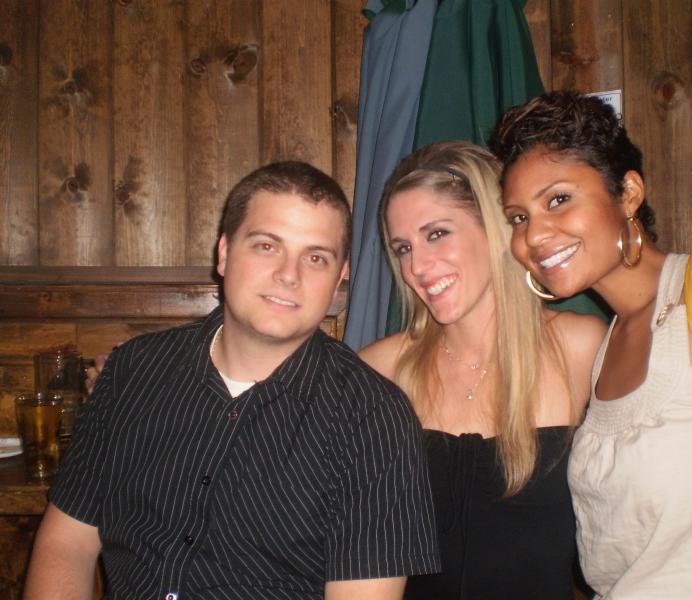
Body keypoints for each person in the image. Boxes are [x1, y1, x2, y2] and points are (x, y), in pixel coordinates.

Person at [25, 162, 440, 599]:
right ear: (224, 253)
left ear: (340, 278)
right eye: (267, 246)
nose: (289, 274)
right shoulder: (132, 371)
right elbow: (66, 544)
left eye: (316, 257)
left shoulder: (374, 419)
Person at [492, 90, 692, 598]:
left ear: (629, 194)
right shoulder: (608, 345)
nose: (534, 235)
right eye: (519, 217)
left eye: (558, 200)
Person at [358, 141, 606, 598]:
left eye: (437, 234)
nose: (417, 267)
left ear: (493, 229)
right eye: (403, 248)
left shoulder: (581, 349)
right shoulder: (378, 370)